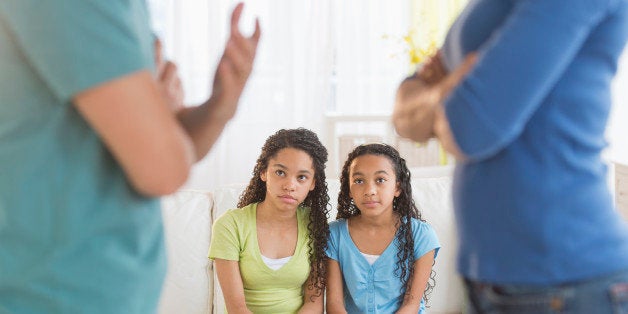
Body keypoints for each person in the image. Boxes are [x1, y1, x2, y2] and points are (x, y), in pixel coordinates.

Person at [0, 1, 260, 313]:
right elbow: (164, 167)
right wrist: (164, 127)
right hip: (51, 295)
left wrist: (221, 104)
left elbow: (160, 147)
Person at [393, 1, 628, 312]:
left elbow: (469, 127)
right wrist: (450, 91)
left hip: (564, 282)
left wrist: (440, 93)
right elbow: (404, 118)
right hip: (489, 278)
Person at [208, 128, 329, 314]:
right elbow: (237, 307)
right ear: (264, 172)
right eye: (280, 173)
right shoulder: (230, 225)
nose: (290, 185)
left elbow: (314, 304)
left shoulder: (315, 225)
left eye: (302, 177)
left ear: (312, 183)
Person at [326, 143, 440, 314]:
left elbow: (411, 304)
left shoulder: (421, 235)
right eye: (359, 181)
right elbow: (334, 304)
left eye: (380, 180)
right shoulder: (334, 234)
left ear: (397, 187)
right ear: (349, 189)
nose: (369, 190)